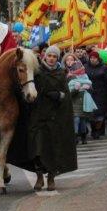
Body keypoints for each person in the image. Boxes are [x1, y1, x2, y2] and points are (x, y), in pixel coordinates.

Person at [28, 45, 77, 191]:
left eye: (54, 56)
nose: (51, 58)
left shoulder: (61, 73)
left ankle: (50, 177)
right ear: (45, 56)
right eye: (49, 56)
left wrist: (59, 96)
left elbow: (65, 95)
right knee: (37, 148)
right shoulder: (37, 72)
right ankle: (38, 177)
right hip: (38, 116)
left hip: (54, 118)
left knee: (53, 149)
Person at [64, 53, 95, 145]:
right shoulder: (65, 74)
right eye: (68, 60)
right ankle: (75, 137)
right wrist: (75, 89)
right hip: (72, 101)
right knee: (75, 119)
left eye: (71, 59)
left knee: (83, 119)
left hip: (83, 101)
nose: (70, 61)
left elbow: (91, 87)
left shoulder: (84, 75)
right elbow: (66, 90)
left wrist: (88, 87)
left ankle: (83, 136)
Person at [85, 50, 107, 138]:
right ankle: (93, 130)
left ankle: (98, 130)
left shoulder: (104, 67)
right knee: (92, 114)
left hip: (101, 93)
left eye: (94, 58)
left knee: (100, 115)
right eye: (91, 58)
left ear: (98, 59)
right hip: (89, 93)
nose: (93, 60)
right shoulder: (85, 67)